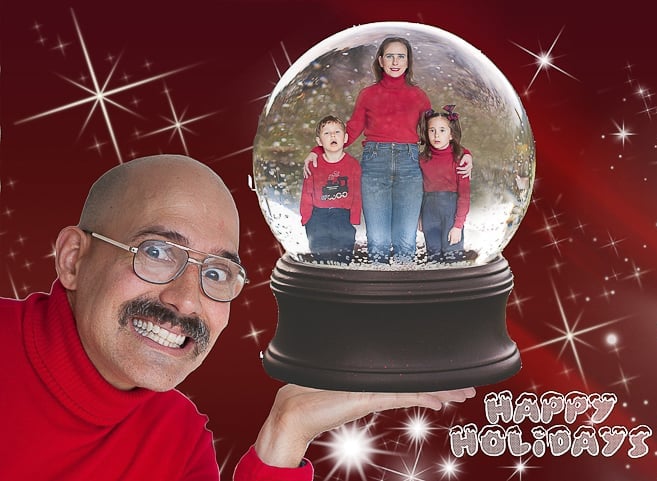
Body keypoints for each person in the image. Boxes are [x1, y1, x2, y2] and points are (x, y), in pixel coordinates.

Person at [0, 154, 475, 481]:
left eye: (216, 272)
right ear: (72, 259)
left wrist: (287, 431)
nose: (186, 300)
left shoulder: (179, 439)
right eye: (158, 251)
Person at [305, 36, 472, 264]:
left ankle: (405, 291)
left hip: (410, 166)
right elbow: (351, 131)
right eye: (390, 56)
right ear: (381, 61)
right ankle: (378, 290)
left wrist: (465, 155)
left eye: (401, 56)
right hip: (374, 165)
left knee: (406, 238)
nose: (395, 61)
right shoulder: (368, 94)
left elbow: (438, 133)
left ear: (408, 61)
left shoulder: (419, 96)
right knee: (378, 238)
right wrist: (318, 149)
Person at [300, 115, 362, 264]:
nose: (332, 135)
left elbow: (356, 193)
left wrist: (354, 218)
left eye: (337, 132)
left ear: (345, 138)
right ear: (319, 141)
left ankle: (343, 273)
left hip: (342, 215)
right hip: (318, 216)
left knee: (344, 250)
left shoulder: (353, 165)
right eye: (327, 133)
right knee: (320, 251)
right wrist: (306, 218)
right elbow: (306, 193)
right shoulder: (313, 164)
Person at [419, 105, 472, 262]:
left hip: (451, 214)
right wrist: (420, 217)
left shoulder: (459, 159)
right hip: (429, 214)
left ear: (451, 135)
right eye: (432, 130)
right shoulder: (422, 160)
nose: (436, 135)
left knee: (452, 254)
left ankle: (455, 285)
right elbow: (418, 191)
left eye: (442, 130)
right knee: (433, 255)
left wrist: (458, 226)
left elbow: (464, 196)